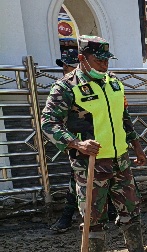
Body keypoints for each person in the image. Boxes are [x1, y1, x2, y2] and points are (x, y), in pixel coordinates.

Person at [41, 35, 147, 252]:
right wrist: (76, 144)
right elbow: (48, 123)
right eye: (98, 60)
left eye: (107, 60)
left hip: (120, 159)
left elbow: (123, 118)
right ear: (82, 58)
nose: (104, 65)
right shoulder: (66, 87)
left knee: (131, 207)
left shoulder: (113, 82)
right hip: (90, 161)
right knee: (93, 213)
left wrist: (135, 145)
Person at [49, 49, 81, 233]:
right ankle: (67, 218)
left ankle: (67, 219)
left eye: (67, 66)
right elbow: (52, 119)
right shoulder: (63, 87)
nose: (65, 69)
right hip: (76, 141)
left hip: (99, 138)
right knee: (75, 180)